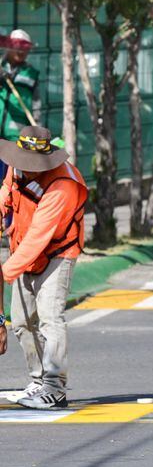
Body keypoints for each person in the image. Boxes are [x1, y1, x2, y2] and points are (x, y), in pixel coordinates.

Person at [0, 124, 87, 410]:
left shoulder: (63, 185)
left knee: (50, 318)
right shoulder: (16, 168)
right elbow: (6, 195)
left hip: (56, 254)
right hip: (24, 249)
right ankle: (38, 380)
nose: (28, 169)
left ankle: (54, 388)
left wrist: (5, 271)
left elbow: (40, 236)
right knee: (22, 322)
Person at [0, 29, 40, 183]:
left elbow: (36, 105)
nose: (21, 51)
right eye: (17, 46)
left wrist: (38, 129)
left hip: (15, 137)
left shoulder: (31, 73)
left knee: (10, 180)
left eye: (25, 48)